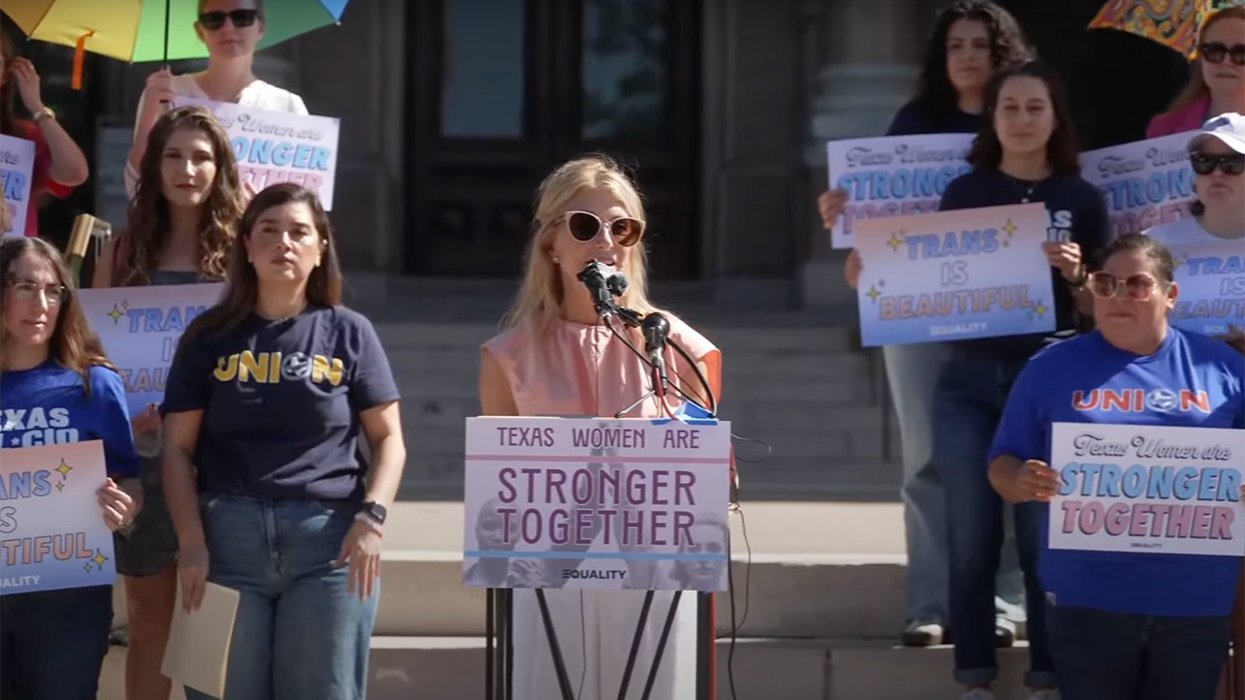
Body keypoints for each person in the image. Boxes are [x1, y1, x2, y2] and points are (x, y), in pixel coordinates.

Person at [817, 0, 1035, 648]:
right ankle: (930, 605)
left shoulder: (1021, 119)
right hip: (915, 309)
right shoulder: (912, 123)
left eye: (979, 44)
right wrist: (845, 220)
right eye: (954, 45)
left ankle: (1004, 601)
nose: (966, 55)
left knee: (1006, 452)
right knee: (926, 460)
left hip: (1002, 309)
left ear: (1003, 54)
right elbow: (880, 218)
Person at [478, 155, 723, 700]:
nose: (606, 242)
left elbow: (700, 463)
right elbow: (500, 483)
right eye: (586, 227)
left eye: (623, 228)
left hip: (651, 575)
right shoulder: (508, 356)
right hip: (550, 575)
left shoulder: (678, 346)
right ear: (551, 245)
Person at [160, 184, 406, 700]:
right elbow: (177, 450)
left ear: (321, 250)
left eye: (299, 232)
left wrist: (372, 520)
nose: (284, 243)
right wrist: (191, 544)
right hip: (226, 541)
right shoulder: (207, 336)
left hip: (330, 546)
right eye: (269, 231)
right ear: (246, 246)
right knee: (216, 691)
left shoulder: (350, 332)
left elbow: (389, 442)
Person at [988, 233, 1245, 700]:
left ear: (1170, 296)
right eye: (1105, 283)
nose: (1118, 296)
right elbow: (1001, 464)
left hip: (1194, 598)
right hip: (1089, 597)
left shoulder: (1223, 367)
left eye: (1137, 285)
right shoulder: (1049, 367)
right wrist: (1022, 480)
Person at [931, 59, 1112, 700]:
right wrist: (873, 276)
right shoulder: (964, 193)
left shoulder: (1081, 198)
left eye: (1036, 107)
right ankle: (974, 676)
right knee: (971, 534)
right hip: (967, 378)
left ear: (1055, 118)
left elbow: (1101, 307)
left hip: (1047, 378)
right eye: (1010, 107)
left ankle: (1046, 676)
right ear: (994, 118)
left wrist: (1076, 277)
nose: (1022, 119)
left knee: (1043, 535)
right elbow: (934, 286)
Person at [92, 104, 245, 700]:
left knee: (208, 621)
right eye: (174, 155)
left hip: (219, 457)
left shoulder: (242, 252)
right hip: (145, 455)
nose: (188, 169)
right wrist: (123, 415)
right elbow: (98, 356)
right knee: (150, 620)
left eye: (202, 157)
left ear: (221, 168)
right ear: (153, 167)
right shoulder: (123, 252)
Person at [0, 237, 143, 699]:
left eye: (54, 290)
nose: (40, 304)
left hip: (67, 600)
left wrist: (125, 508)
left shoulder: (95, 384)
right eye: (25, 287)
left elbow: (130, 478)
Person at [125, 0, 308, 199]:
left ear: (261, 27)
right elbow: (137, 184)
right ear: (200, 30)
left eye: (242, 18)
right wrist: (149, 116)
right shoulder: (166, 93)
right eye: (214, 20)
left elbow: (303, 201)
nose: (228, 28)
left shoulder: (288, 105)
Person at [0, 30, 90, 237]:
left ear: (6, 74)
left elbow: (75, 172)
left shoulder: (22, 136)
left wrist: (38, 108)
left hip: (11, 261)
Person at [1146, 6, 1245, 138]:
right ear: (1200, 57)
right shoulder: (1164, 128)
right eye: (1215, 51)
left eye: (1241, 53)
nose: (1226, 61)